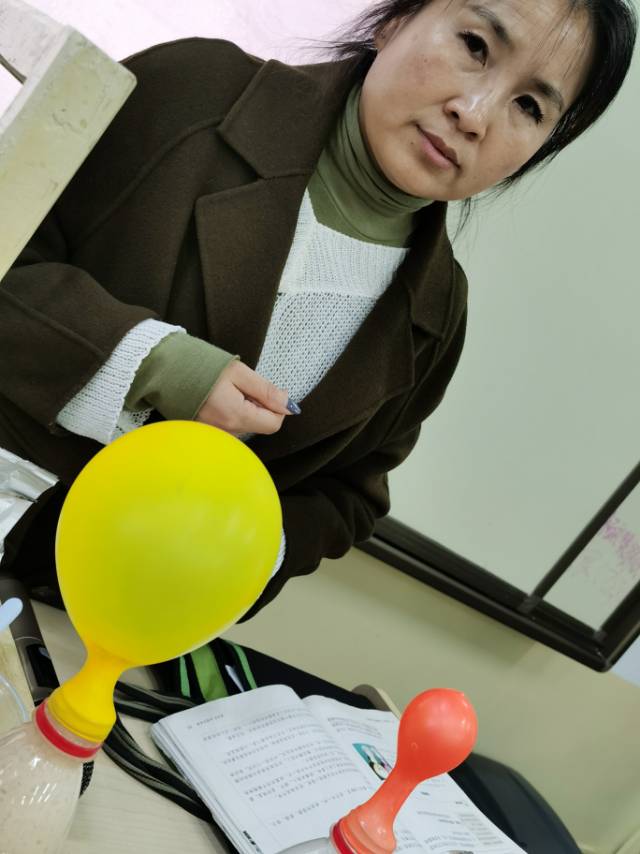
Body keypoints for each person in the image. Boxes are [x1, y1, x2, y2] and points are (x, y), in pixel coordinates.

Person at [0, 0, 636, 617]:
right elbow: (11, 252)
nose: (474, 115)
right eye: (475, 45)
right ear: (396, 19)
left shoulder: (439, 313)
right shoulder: (193, 91)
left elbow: (349, 497)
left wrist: (250, 547)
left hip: (103, 615)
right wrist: (154, 363)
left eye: (529, 106)